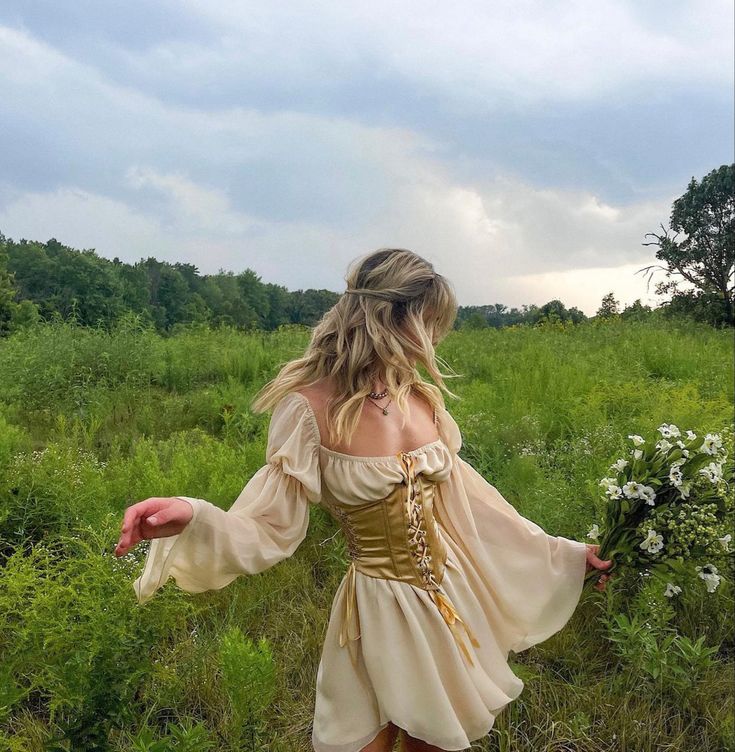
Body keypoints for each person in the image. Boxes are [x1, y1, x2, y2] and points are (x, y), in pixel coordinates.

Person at [115, 248, 613, 752]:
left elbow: (476, 505)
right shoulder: (309, 407)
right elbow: (268, 526)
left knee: (435, 742)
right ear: (389, 319)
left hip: (449, 602)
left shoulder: (420, 398)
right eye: (429, 323)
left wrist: (566, 555)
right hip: (376, 609)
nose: (435, 339)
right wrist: (194, 515)